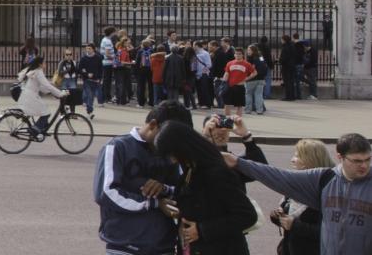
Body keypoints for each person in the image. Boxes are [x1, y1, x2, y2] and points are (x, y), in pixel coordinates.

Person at [232, 132, 372, 255]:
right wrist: (237, 162)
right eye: (357, 161)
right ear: (340, 157)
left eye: (368, 159)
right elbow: (279, 177)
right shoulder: (324, 178)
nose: (364, 165)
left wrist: (296, 226)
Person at [94, 100, 191, 255]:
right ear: (153, 125)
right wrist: (153, 203)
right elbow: (106, 193)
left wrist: (164, 188)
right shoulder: (117, 147)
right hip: (124, 245)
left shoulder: (171, 154)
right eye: (171, 138)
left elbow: (184, 191)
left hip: (164, 246)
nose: (173, 145)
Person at [154, 121, 258, 254]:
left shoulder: (216, 173)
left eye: (172, 154)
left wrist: (202, 230)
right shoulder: (190, 169)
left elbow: (247, 215)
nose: (171, 160)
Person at [268, 138, 331, 255]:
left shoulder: (326, 191)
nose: (292, 160)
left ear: (310, 160)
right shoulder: (295, 185)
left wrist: (295, 225)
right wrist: (277, 216)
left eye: (297, 156)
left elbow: (330, 232)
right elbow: (288, 217)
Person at [16, 56, 63, 138]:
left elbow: (41, 87)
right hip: (30, 97)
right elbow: (47, 85)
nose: (46, 64)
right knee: (46, 113)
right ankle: (35, 130)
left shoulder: (35, 71)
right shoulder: (38, 72)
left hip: (28, 95)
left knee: (45, 110)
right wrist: (60, 93)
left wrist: (52, 93)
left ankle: (42, 130)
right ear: (40, 64)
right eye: (44, 62)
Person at [221, 48, 255, 121]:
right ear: (234, 55)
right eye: (236, 54)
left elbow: (254, 73)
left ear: (242, 55)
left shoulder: (247, 64)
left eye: (239, 54)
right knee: (227, 104)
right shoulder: (229, 63)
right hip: (230, 86)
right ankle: (227, 120)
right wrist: (223, 83)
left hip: (239, 87)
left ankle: (237, 121)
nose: (237, 55)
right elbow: (226, 73)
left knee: (239, 105)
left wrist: (245, 79)